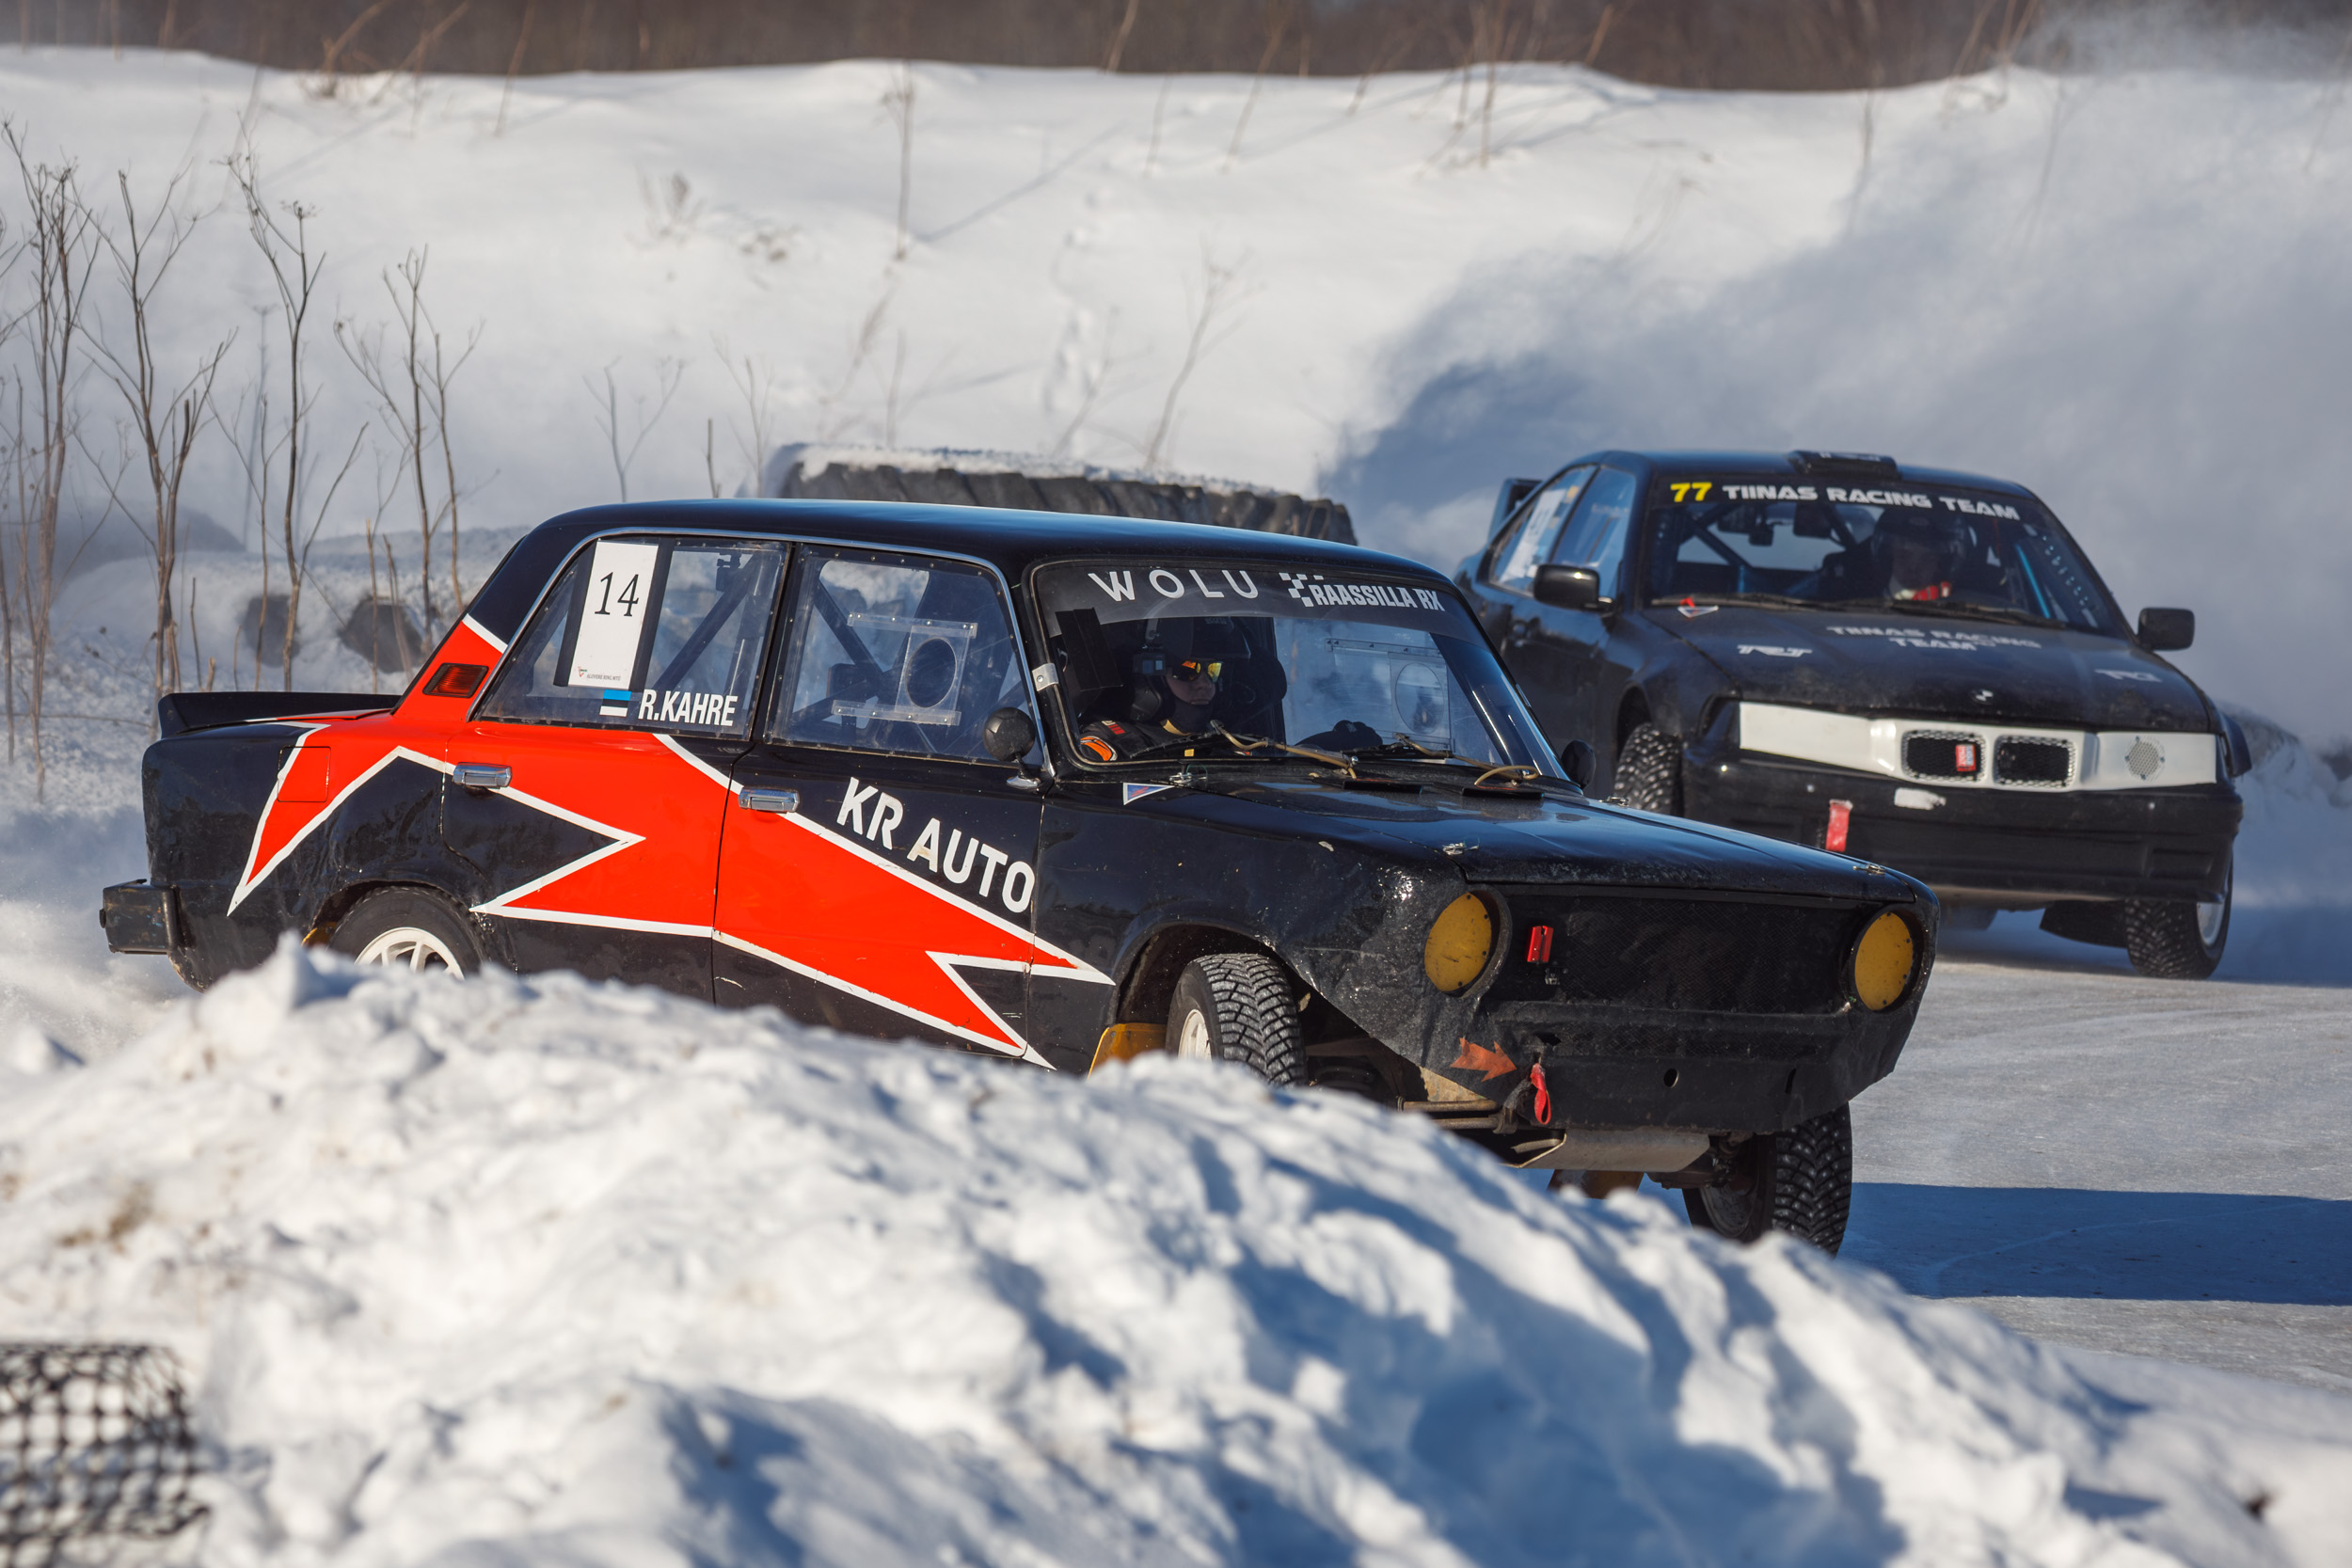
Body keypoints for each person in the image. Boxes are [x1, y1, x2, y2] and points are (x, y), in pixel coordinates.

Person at [1075, 636, 1223, 761]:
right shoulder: (1103, 751)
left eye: (1212, 670)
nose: (1205, 684)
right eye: (1186, 671)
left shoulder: (1225, 740)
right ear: (1151, 680)